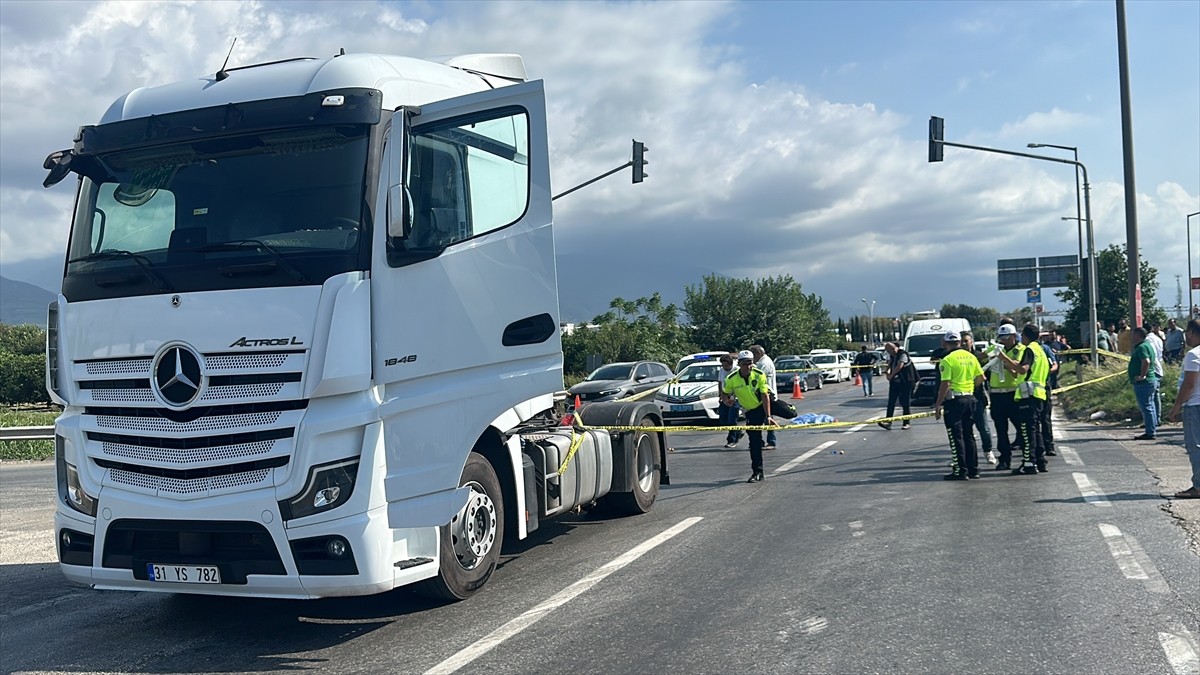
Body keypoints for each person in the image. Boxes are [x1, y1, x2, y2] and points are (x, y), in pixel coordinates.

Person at [996, 323, 1049, 475]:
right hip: (1038, 394)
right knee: (1035, 430)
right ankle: (1040, 460)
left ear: (1024, 336)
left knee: (1027, 432)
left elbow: (1023, 369)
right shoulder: (1039, 350)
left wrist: (1004, 358)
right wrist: (1012, 366)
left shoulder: (1029, 349)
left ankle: (1028, 463)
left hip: (1028, 395)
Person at [934, 331, 985, 480]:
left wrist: (938, 404)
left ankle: (960, 470)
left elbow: (946, 383)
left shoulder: (947, 360)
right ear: (959, 342)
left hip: (955, 401)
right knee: (969, 435)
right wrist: (969, 388)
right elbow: (981, 377)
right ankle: (973, 469)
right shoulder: (971, 357)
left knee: (956, 436)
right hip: (970, 398)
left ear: (945, 343)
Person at [723, 350, 777, 482]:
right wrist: (726, 400)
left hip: (765, 403)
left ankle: (788, 408)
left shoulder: (759, 375)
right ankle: (757, 472)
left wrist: (768, 416)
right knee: (754, 441)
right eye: (745, 363)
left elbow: (765, 396)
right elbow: (725, 392)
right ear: (740, 364)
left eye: (750, 363)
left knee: (790, 413)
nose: (748, 366)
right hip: (751, 410)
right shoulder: (732, 378)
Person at [1166, 319, 1200, 499]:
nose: (1186, 335)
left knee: (1195, 446)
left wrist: (1176, 407)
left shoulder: (1193, 355)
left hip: (1195, 405)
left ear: (1193, 333)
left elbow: (1189, 384)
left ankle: (1199, 486)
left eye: (1188, 332)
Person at [988, 323, 1023, 470]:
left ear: (1014, 337)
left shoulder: (1020, 350)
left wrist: (1003, 360)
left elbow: (1018, 370)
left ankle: (1028, 457)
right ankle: (1004, 458)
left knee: (1022, 427)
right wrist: (988, 355)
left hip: (1013, 392)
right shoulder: (996, 348)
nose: (1003, 341)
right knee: (1001, 429)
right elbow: (981, 358)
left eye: (1006, 338)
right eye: (1001, 338)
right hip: (997, 394)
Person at [961, 331, 995, 465]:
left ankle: (988, 451)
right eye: (962, 341)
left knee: (984, 428)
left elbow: (986, 374)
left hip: (978, 397)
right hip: (962, 398)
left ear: (971, 342)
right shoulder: (956, 357)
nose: (964, 343)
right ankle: (963, 458)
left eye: (966, 340)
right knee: (964, 431)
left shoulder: (978, 356)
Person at [1128, 326, 1159, 440]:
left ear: (1137, 335)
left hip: (1145, 382)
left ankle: (1150, 432)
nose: (1131, 337)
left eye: (1133, 334)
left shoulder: (1142, 347)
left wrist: (1142, 375)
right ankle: (1152, 427)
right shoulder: (1147, 345)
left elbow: (1146, 361)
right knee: (1150, 405)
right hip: (1150, 381)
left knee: (1146, 407)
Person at [879, 342, 915, 430]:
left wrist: (891, 375)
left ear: (893, 348)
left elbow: (900, 366)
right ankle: (888, 422)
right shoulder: (893, 356)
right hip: (895, 382)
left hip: (905, 381)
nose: (889, 353)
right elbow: (890, 363)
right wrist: (887, 371)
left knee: (905, 402)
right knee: (891, 402)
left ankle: (906, 422)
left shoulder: (903, 354)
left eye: (889, 351)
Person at [750, 345, 778, 450]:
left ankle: (771, 441)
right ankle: (759, 441)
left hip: (767, 393)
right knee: (760, 417)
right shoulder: (761, 362)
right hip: (762, 393)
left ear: (758, 353)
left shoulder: (765, 363)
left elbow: (758, 376)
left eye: (753, 356)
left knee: (768, 417)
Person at [1038, 332, 1059, 457]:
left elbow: (1054, 365)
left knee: (1045, 418)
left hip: (1043, 386)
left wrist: (1045, 372)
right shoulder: (1024, 350)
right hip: (1027, 389)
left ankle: (1049, 446)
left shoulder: (1045, 349)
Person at [717, 354, 743, 449]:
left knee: (732, 420)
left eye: (726, 365)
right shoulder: (721, 371)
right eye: (723, 365)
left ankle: (731, 440)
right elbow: (720, 383)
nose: (724, 367)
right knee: (723, 419)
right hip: (725, 397)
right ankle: (738, 432)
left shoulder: (736, 370)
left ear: (730, 364)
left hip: (735, 398)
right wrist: (720, 395)